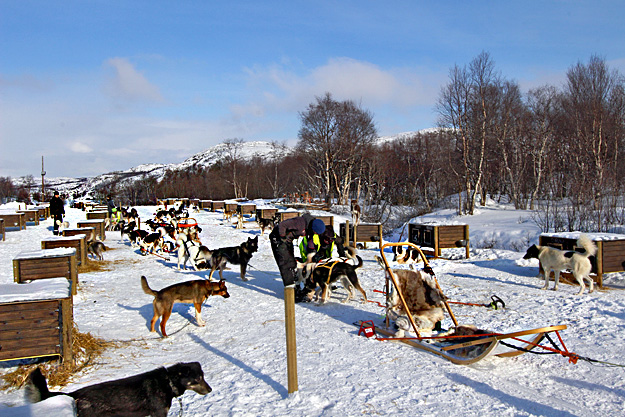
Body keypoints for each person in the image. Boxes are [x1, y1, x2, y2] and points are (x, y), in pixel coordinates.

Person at [269, 213, 326, 302]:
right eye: (315, 232)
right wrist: (282, 236)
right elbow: (282, 225)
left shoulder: (311, 227)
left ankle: (295, 286)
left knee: (292, 262)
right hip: (278, 238)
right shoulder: (300, 222)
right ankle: (290, 292)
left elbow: (310, 240)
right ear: (313, 227)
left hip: (288, 240)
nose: (315, 234)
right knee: (285, 264)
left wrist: (313, 253)